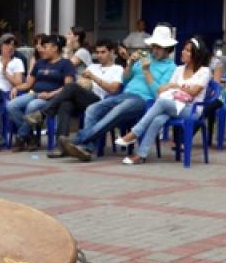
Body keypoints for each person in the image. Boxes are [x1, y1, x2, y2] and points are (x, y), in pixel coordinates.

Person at [59, 24, 177, 162]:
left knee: (115, 112)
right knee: (93, 108)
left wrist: (146, 72)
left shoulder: (171, 67)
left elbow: (158, 93)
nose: (154, 50)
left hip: (143, 100)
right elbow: (125, 80)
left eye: (158, 47)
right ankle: (86, 148)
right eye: (154, 46)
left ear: (167, 48)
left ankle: (78, 140)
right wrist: (131, 64)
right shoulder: (146, 58)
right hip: (125, 94)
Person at [116, 37, 211, 165]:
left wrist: (176, 86)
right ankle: (140, 155)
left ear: (196, 54)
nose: (183, 52)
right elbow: (162, 89)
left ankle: (134, 133)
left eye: (188, 50)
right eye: (184, 49)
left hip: (192, 110)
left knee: (161, 103)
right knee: (157, 119)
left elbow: (194, 92)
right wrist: (170, 86)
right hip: (174, 105)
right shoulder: (179, 69)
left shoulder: (204, 71)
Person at [24, 38, 123, 158]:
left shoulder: (118, 69)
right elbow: (83, 84)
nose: (99, 55)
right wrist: (84, 82)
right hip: (84, 100)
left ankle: (43, 113)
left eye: (103, 52)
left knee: (70, 86)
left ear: (111, 52)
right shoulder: (92, 67)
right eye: (98, 52)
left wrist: (94, 78)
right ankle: (60, 147)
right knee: (65, 104)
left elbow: (113, 89)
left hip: (101, 102)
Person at [7, 35, 75, 152]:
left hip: (51, 98)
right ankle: (30, 137)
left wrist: (50, 94)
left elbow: (67, 87)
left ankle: (21, 137)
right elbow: (29, 84)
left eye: (45, 46)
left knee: (32, 106)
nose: (42, 49)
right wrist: (16, 88)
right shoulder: (39, 63)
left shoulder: (66, 63)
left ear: (55, 48)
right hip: (35, 94)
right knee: (11, 105)